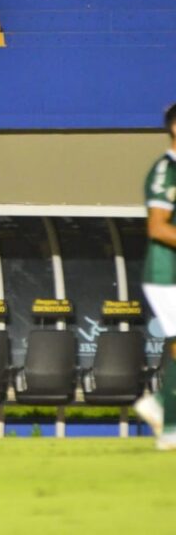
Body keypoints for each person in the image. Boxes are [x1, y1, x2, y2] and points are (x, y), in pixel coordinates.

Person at [136, 103, 176, 449]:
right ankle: (169, 424)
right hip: (166, 274)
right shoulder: (166, 170)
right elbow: (157, 227)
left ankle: (161, 406)